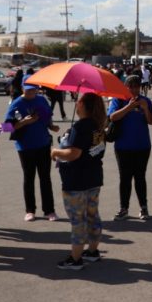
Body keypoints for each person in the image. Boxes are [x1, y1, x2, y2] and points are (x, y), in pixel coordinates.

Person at [51, 93, 108, 270]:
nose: (76, 103)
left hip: (76, 179)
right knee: (92, 215)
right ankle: (92, 251)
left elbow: (73, 154)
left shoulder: (81, 126)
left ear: (83, 105)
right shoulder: (98, 126)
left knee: (78, 220)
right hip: (94, 177)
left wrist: (55, 151)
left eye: (78, 101)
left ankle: (75, 258)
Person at [6, 81, 57, 222]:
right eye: (28, 90)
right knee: (29, 178)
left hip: (43, 143)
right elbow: (6, 127)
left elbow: (48, 117)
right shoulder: (16, 103)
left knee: (45, 177)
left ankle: (49, 210)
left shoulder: (42, 100)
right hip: (25, 147)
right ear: (22, 88)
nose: (31, 92)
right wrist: (24, 122)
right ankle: (30, 210)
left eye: (34, 90)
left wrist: (52, 126)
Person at [108, 75, 152, 221]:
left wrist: (145, 108)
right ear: (126, 87)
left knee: (140, 177)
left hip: (142, 145)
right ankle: (124, 208)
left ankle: (143, 207)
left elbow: (151, 121)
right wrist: (129, 107)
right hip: (123, 146)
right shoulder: (118, 100)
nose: (134, 90)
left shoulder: (145, 101)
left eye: (137, 87)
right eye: (131, 87)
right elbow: (112, 117)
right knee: (125, 178)